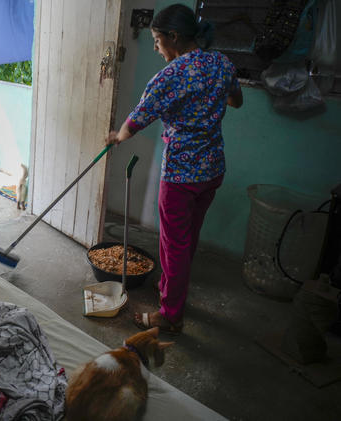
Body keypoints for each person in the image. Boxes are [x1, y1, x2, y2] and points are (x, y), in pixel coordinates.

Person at [105, 4, 243, 335]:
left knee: (174, 245)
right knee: (186, 240)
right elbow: (236, 101)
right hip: (212, 169)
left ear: (174, 37)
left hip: (181, 175)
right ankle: (172, 290)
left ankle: (170, 315)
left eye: (156, 39)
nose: (155, 47)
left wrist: (115, 137)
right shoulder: (221, 63)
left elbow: (135, 121)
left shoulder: (171, 75)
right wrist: (208, 97)